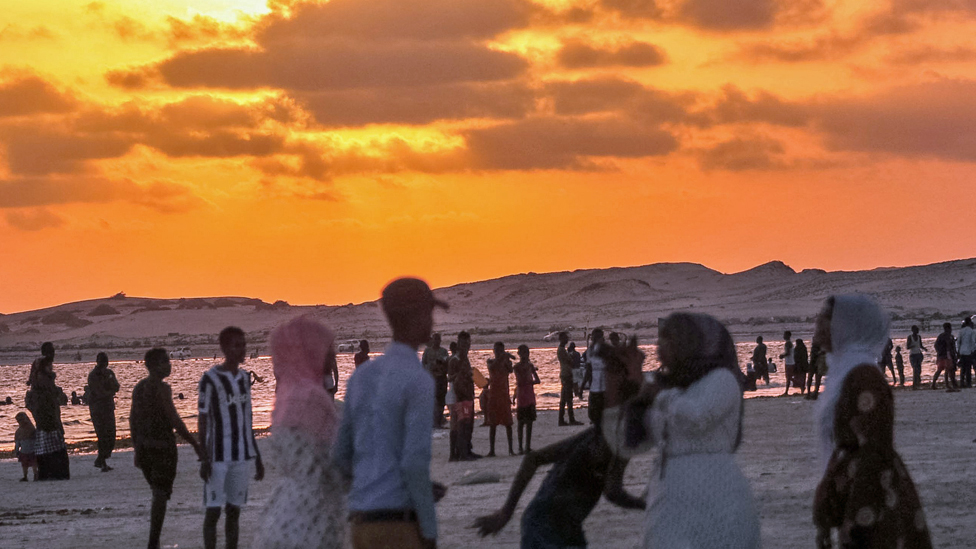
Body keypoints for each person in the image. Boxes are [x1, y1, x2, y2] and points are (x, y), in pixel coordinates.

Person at [473, 338, 647, 548]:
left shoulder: (603, 438)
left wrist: (506, 512)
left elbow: (534, 459)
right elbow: (612, 490)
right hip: (547, 525)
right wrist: (645, 503)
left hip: (556, 523)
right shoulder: (608, 440)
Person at [618, 313, 760, 548]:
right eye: (660, 338)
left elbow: (698, 417)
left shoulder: (722, 380)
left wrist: (658, 395)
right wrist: (630, 385)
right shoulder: (665, 383)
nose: (660, 345)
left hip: (715, 491)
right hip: (669, 492)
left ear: (692, 344)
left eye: (670, 339)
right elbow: (630, 439)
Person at [334, 278, 447, 549]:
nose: (432, 322)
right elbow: (413, 462)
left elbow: (340, 457)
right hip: (399, 525)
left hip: (362, 523)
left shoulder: (362, 377)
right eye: (429, 313)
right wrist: (429, 531)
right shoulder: (417, 380)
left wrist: (372, 485)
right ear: (419, 316)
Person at [812, 295, 932, 548]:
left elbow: (875, 451)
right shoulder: (842, 372)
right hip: (853, 491)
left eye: (825, 320)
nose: (817, 326)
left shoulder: (864, 377)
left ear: (844, 327)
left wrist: (858, 518)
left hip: (872, 497)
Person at [255, 316, 346, 549]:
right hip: (312, 515)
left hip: (283, 509)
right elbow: (332, 463)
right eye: (327, 349)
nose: (331, 356)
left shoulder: (286, 398)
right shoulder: (312, 400)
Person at [131, 348, 207, 549]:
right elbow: (174, 419)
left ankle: (153, 541)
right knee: (160, 494)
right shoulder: (162, 389)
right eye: (164, 362)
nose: (169, 365)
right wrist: (194, 443)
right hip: (162, 448)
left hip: (146, 448)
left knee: (158, 492)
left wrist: (137, 448)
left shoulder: (139, 388)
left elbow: (133, 421)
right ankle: (153, 542)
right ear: (153, 366)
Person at [198, 327, 264, 549]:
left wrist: (256, 455)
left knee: (234, 511)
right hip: (217, 456)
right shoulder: (210, 379)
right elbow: (203, 420)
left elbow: (247, 418)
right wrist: (204, 457)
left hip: (242, 455)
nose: (242, 349)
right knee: (213, 511)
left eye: (244, 344)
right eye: (237, 345)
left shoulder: (245, 378)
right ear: (225, 348)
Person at [28, 342, 70, 480]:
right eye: (51, 351)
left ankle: (47, 472)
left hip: (43, 407)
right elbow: (45, 386)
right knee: (51, 435)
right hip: (45, 407)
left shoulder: (38, 366)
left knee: (46, 436)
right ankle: (54, 472)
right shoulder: (42, 369)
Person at [88, 351, 120, 472]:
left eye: (105, 362)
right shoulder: (93, 375)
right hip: (97, 409)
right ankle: (102, 461)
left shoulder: (109, 373)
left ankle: (101, 459)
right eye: (102, 362)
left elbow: (116, 386)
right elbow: (98, 391)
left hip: (108, 407)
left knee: (111, 435)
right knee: (102, 436)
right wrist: (109, 391)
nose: (104, 364)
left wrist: (110, 389)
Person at [449, 331, 477, 461]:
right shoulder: (456, 360)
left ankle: (467, 450)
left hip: (468, 395)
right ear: (459, 343)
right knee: (462, 424)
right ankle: (462, 453)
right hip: (461, 397)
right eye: (463, 343)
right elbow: (451, 377)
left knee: (469, 424)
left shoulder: (465, 359)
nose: (466, 346)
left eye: (468, 343)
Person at [486, 342, 516, 457]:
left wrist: (506, 358)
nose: (498, 353)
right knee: (493, 424)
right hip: (494, 395)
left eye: (500, 350)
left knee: (508, 424)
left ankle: (511, 449)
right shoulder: (490, 362)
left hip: (504, 395)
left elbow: (510, 370)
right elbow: (492, 367)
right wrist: (503, 356)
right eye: (496, 350)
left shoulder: (505, 362)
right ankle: (492, 450)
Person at [512, 345, 540, 454]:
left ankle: (527, 446)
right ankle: (520, 447)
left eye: (525, 353)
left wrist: (530, 382)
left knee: (529, 423)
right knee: (521, 423)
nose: (524, 355)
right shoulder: (518, 367)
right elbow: (521, 380)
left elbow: (537, 380)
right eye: (522, 353)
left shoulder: (529, 366)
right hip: (522, 396)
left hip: (528, 395)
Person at [422, 333, 450, 428]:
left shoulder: (444, 351)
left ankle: (438, 421)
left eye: (438, 339)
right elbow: (423, 364)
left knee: (441, 400)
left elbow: (447, 363)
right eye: (435, 339)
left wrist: (441, 366)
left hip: (441, 379)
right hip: (431, 379)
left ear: (440, 340)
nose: (436, 341)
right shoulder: (427, 351)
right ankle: (434, 422)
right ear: (432, 340)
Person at [582, 328, 607, 425]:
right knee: (594, 412)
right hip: (594, 387)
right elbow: (589, 370)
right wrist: (583, 385)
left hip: (605, 385)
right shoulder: (590, 351)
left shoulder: (606, 351)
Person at [557, 332, 581, 426]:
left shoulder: (562, 350)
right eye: (565, 338)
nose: (566, 340)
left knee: (564, 398)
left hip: (565, 374)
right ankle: (571, 419)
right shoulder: (561, 350)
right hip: (566, 375)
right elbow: (570, 361)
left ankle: (562, 419)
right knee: (568, 398)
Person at [932, 322, 958, 391]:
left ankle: (945, 384)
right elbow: (937, 346)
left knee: (946, 369)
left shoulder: (948, 336)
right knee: (942, 370)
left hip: (946, 355)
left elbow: (953, 346)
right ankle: (936, 384)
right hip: (944, 355)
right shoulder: (944, 336)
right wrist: (941, 352)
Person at [14, 412, 38, 481]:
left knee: (34, 464)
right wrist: (17, 450)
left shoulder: (32, 429)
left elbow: (36, 440)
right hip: (24, 451)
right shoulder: (18, 431)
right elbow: (17, 443)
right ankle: (25, 476)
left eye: (21, 420)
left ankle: (35, 475)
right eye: (19, 421)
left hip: (32, 451)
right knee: (24, 465)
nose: (20, 422)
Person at [957, 317, 975, 388]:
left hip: (962, 351)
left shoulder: (961, 331)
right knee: (968, 368)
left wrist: (958, 351)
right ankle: (968, 383)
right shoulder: (971, 331)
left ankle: (962, 383)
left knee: (963, 368)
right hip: (969, 352)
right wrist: (973, 351)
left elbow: (958, 342)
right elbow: (973, 342)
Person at [906, 325, 926, 389]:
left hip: (919, 354)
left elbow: (920, 345)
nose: (917, 331)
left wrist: (924, 348)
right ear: (912, 330)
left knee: (919, 370)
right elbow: (907, 347)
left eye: (917, 330)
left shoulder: (919, 337)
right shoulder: (910, 337)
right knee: (915, 369)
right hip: (913, 355)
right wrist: (912, 345)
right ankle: (914, 385)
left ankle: (917, 382)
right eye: (916, 330)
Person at [780, 330, 796, 395]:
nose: (783, 336)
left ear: (788, 336)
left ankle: (787, 391)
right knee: (789, 377)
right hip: (790, 362)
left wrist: (782, 356)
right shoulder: (789, 343)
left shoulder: (788, 343)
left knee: (788, 377)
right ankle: (800, 385)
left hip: (789, 362)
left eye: (784, 335)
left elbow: (788, 353)